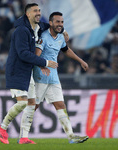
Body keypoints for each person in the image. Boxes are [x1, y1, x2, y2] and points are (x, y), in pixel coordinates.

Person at [0, 3, 58, 144]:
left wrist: (62, 31)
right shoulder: (21, 31)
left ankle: (23, 137)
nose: (38, 13)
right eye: (35, 11)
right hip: (16, 70)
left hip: (26, 71)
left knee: (31, 103)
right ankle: (2, 127)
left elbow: (47, 26)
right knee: (23, 103)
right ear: (27, 14)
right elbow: (23, 54)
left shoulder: (36, 28)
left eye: (39, 11)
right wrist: (45, 63)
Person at [33, 12, 89, 144]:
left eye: (62, 22)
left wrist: (80, 61)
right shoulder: (44, 37)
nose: (60, 24)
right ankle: (19, 133)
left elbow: (66, 49)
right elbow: (36, 55)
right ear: (51, 23)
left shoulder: (60, 37)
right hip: (41, 76)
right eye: (57, 22)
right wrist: (42, 66)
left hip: (53, 77)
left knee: (60, 104)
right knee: (33, 106)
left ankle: (71, 136)